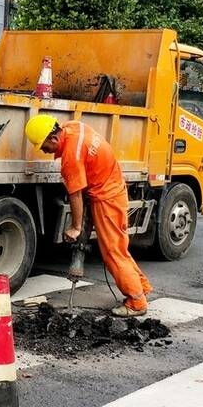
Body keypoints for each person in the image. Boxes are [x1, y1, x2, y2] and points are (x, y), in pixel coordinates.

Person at [25, 114, 153, 317]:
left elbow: (75, 195)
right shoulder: (72, 127)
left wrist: (76, 228)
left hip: (107, 197)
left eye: (43, 146)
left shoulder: (70, 158)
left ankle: (137, 302)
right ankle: (140, 288)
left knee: (113, 252)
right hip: (111, 187)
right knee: (119, 247)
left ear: (53, 138)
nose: (44, 151)